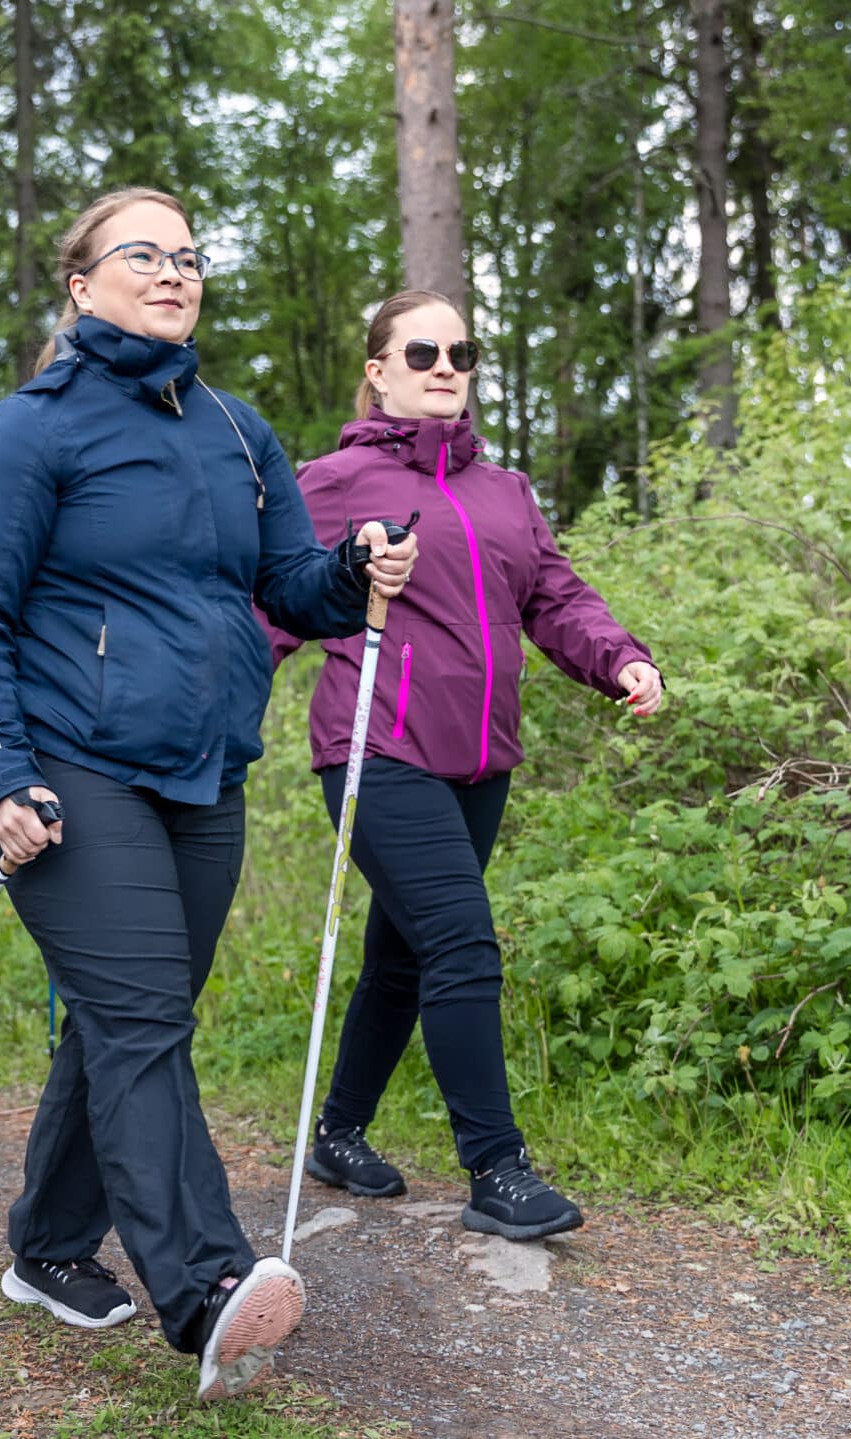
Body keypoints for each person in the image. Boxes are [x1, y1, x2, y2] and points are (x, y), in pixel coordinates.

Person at [0, 187, 416, 1400]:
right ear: (80, 284)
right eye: (142, 254)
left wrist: (352, 568)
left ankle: (47, 1245)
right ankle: (204, 1285)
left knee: (127, 1012)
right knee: (143, 1012)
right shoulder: (26, 432)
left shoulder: (234, 430)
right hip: (69, 769)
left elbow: (292, 592)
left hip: (204, 771)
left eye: (188, 256)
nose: (172, 272)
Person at [274, 289, 663, 1242]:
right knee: (461, 941)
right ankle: (497, 1168)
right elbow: (266, 599)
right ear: (377, 370)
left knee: (404, 953)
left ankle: (339, 1134)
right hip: (376, 749)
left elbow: (556, 596)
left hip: (482, 758)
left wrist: (618, 656)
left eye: (461, 351)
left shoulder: (507, 491)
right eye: (421, 352)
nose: (445, 366)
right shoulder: (331, 480)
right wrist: (194, 708)